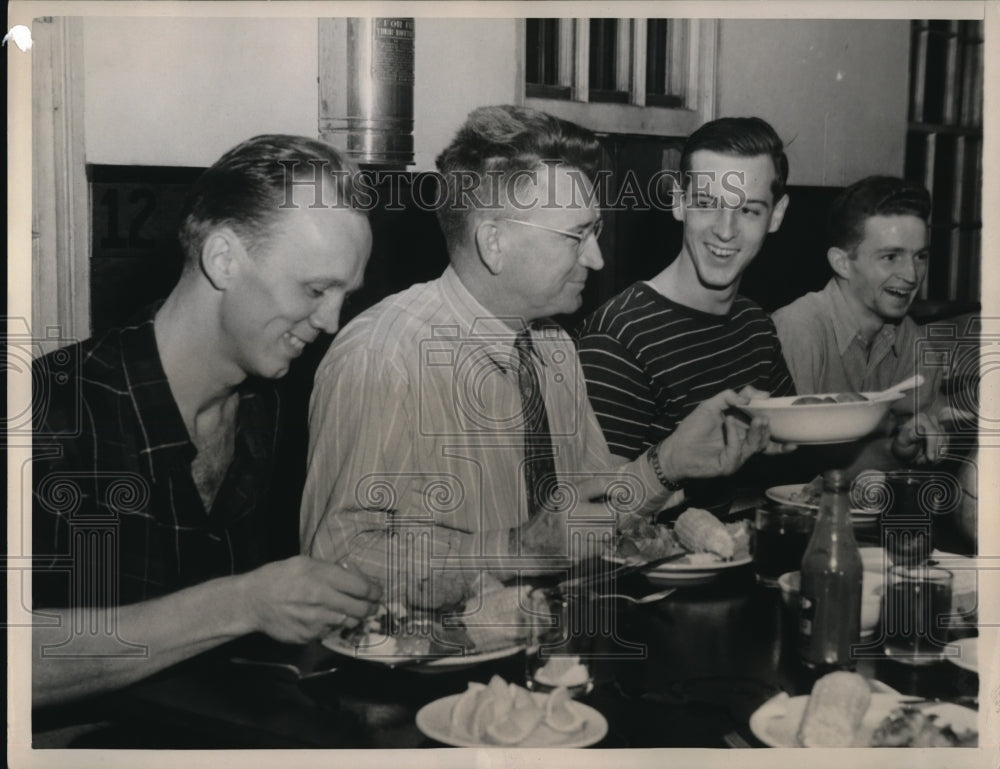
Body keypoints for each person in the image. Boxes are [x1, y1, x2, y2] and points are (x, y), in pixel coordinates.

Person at [300, 105, 779, 610]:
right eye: (578, 236)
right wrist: (516, 550)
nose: (596, 259)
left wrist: (668, 464)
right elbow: (337, 557)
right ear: (494, 242)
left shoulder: (553, 347)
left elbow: (584, 514)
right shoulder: (383, 356)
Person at [31, 135, 382, 708]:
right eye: (317, 289)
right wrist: (241, 603)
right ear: (223, 259)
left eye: (344, 295)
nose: (332, 321)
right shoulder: (48, 410)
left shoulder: (263, 409)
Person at [576, 117, 796, 515]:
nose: (725, 231)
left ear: (776, 215)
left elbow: (785, 460)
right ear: (678, 201)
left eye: (748, 210)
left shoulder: (756, 327)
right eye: (707, 204)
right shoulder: (619, 337)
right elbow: (591, 513)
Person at [772, 176, 947, 467]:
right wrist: (893, 447)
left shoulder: (906, 334)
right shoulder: (798, 329)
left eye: (921, 256)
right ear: (842, 263)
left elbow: (940, 420)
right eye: (891, 256)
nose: (912, 275)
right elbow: (794, 466)